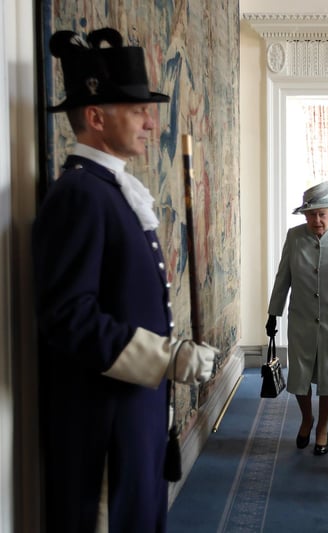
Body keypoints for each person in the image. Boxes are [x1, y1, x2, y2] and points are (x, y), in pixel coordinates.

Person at [32, 28, 217, 532]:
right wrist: (168, 356)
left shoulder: (109, 190)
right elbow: (67, 317)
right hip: (102, 421)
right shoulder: (79, 196)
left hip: (134, 411)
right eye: (137, 110)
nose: (151, 122)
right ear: (96, 117)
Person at [266, 181, 328, 456]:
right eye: (311, 214)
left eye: (322, 214)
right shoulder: (295, 236)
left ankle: (322, 426)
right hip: (301, 318)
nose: (316, 220)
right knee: (300, 374)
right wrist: (273, 313)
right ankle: (306, 419)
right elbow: (283, 278)